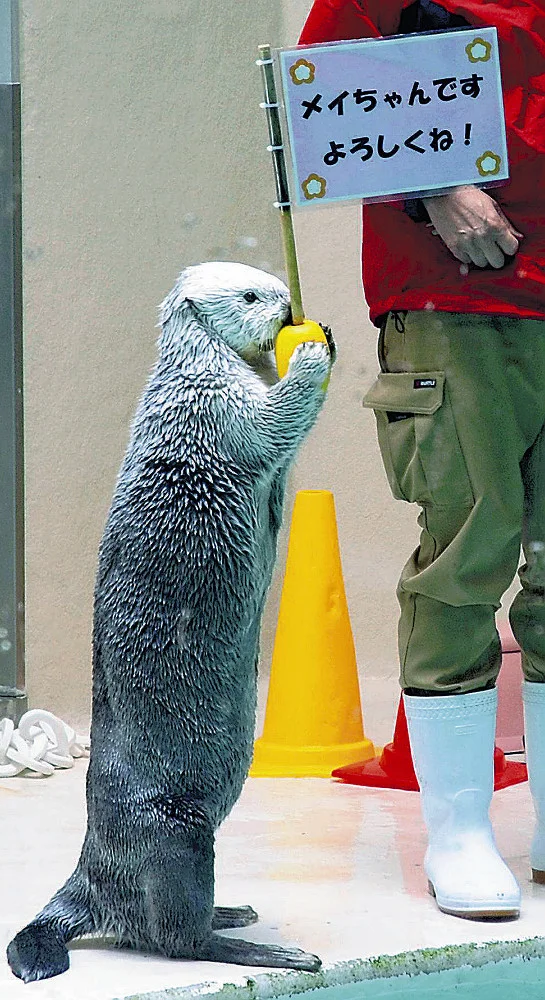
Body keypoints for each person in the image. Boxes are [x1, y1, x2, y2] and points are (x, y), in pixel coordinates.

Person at [298, 0, 545, 919]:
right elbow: (328, 84)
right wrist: (434, 185)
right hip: (457, 289)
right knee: (465, 555)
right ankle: (459, 830)